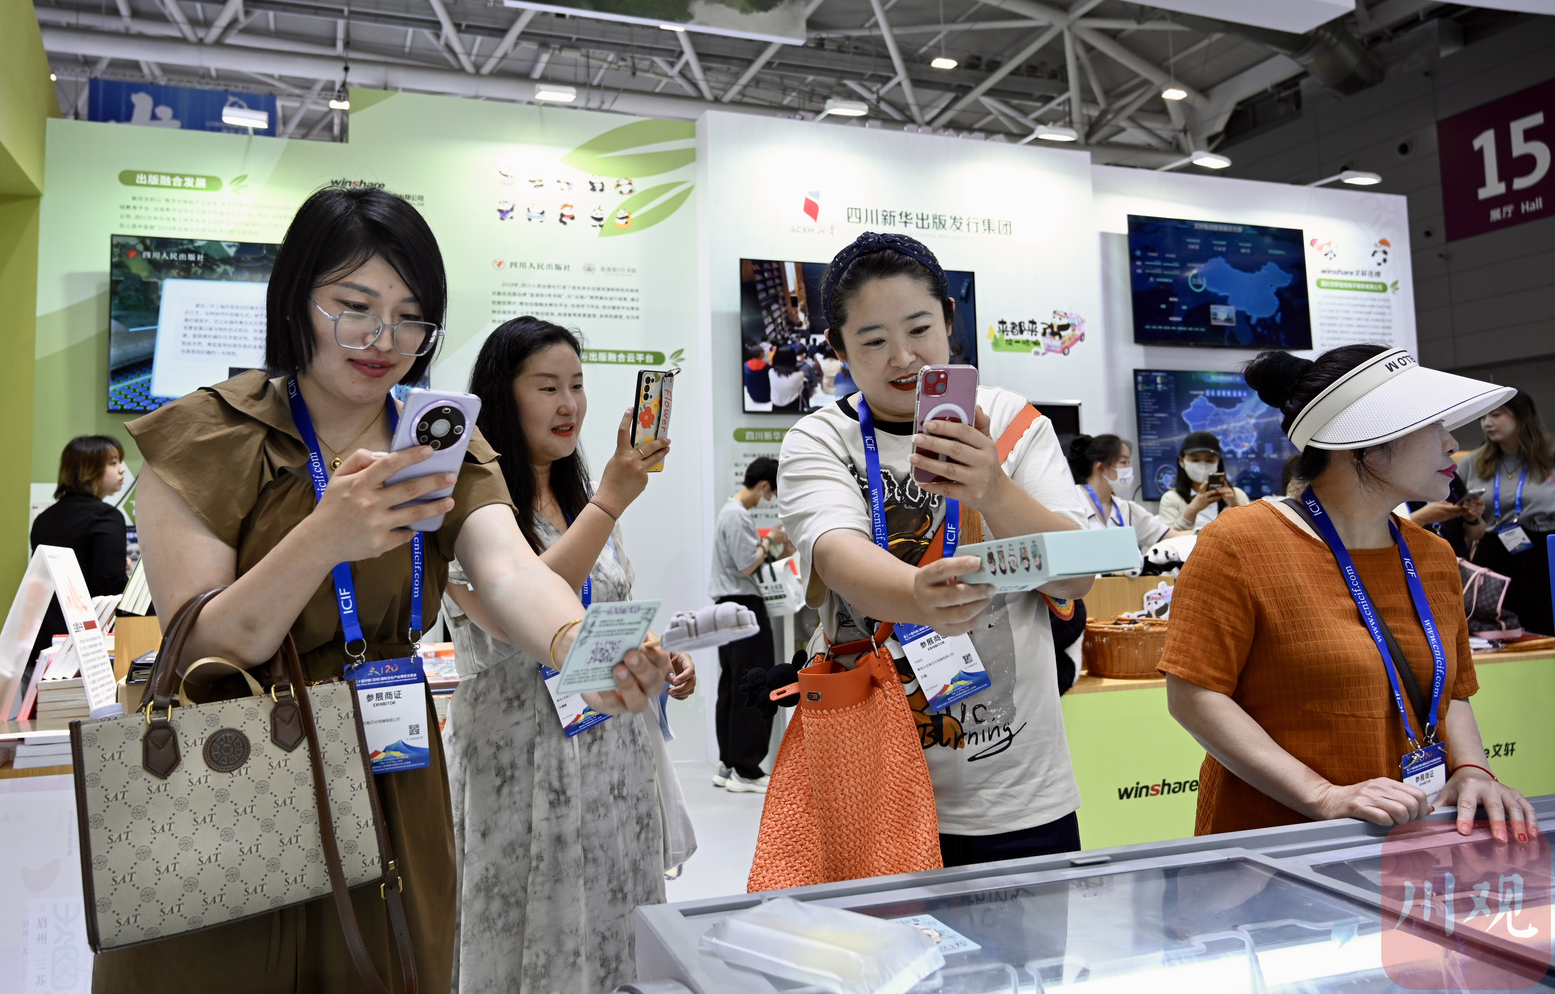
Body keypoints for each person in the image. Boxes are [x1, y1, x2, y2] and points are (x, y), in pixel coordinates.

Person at [110, 187, 668, 994]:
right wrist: (325, 535)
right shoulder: (205, 434)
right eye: (355, 308)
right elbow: (206, 643)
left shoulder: (440, 438)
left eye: (411, 317)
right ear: (296, 301)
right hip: (236, 761)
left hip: (390, 766)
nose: (384, 340)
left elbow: (510, 570)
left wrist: (574, 643)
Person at [778, 232, 1092, 867]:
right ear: (838, 349)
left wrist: (994, 490)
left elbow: (1076, 576)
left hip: (1015, 793)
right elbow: (837, 552)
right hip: (870, 787)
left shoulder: (1013, 424)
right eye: (873, 341)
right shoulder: (820, 440)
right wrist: (914, 595)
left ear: (950, 319)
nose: (904, 357)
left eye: (920, 329)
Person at [1162, 345, 1540, 841]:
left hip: (1409, 842)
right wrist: (1322, 795)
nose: (1451, 443)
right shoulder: (1241, 542)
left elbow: (1452, 693)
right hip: (1275, 850)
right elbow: (1193, 696)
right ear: (1361, 441)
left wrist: (1472, 769)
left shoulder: (1431, 554)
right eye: (1432, 426)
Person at [440, 316, 695, 994]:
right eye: (547, 386)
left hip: (612, 752)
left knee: (614, 921)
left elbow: (598, 614)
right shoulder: (472, 506)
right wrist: (610, 502)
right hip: (521, 755)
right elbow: (516, 610)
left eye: (577, 385)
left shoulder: (579, 497)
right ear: (503, 394)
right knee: (528, 925)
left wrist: (652, 658)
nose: (569, 405)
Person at [708, 456, 792, 793]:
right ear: (764, 485)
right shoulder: (737, 515)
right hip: (744, 607)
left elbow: (749, 562)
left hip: (728, 607)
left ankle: (729, 763)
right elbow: (747, 566)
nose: (768, 500)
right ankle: (747, 769)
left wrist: (771, 547)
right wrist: (771, 539)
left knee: (732, 685)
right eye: (771, 493)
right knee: (756, 683)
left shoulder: (729, 512)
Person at [1456, 392, 1555, 636]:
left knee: (1544, 627)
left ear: (1522, 416)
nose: (1487, 423)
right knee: (1496, 630)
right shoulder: (1471, 463)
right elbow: (1460, 521)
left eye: (1496, 415)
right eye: (1483, 417)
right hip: (1492, 553)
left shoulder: (1550, 459)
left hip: (1542, 551)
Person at [28, 436, 130, 662]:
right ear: (89, 469)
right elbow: (110, 585)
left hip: (43, 643)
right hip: (85, 646)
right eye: (113, 463)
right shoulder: (106, 517)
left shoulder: (43, 520)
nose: (122, 469)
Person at [1066, 434, 1168, 552]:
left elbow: (1168, 534)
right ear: (1101, 468)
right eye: (1123, 462)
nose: (1129, 468)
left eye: (1128, 462)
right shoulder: (1071, 501)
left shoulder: (1127, 508)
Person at [1157, 431, 1250, 532]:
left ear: (1218, 461)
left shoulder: (1237, 495)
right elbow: (1167, 538)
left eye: (1209, 460)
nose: (1203, 465)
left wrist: (1235, 507)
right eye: (1195, 460)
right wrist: (1192, 510)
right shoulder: (1171, 499)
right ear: (1182, 461)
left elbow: (1252, 533)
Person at [768, 345, 806, 413]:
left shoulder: (771, 372)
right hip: (793, 406)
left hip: (775, 406)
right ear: (793, 359)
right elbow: (800, 389)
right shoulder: (799, 375)